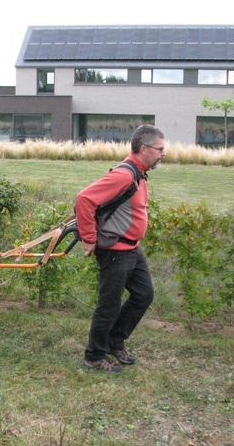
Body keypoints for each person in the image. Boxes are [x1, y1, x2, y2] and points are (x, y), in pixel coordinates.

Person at [75, 124, 165, 373]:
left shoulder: (139, 174)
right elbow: (84, 198)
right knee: (109, 304)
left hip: (132, 249)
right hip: (115, 250)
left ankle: (114, 342)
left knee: (144, 295)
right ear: (144, 148)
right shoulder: (125, 174)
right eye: (160, 149)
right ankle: (94, 355)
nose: (163, 154)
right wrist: (89, 238)